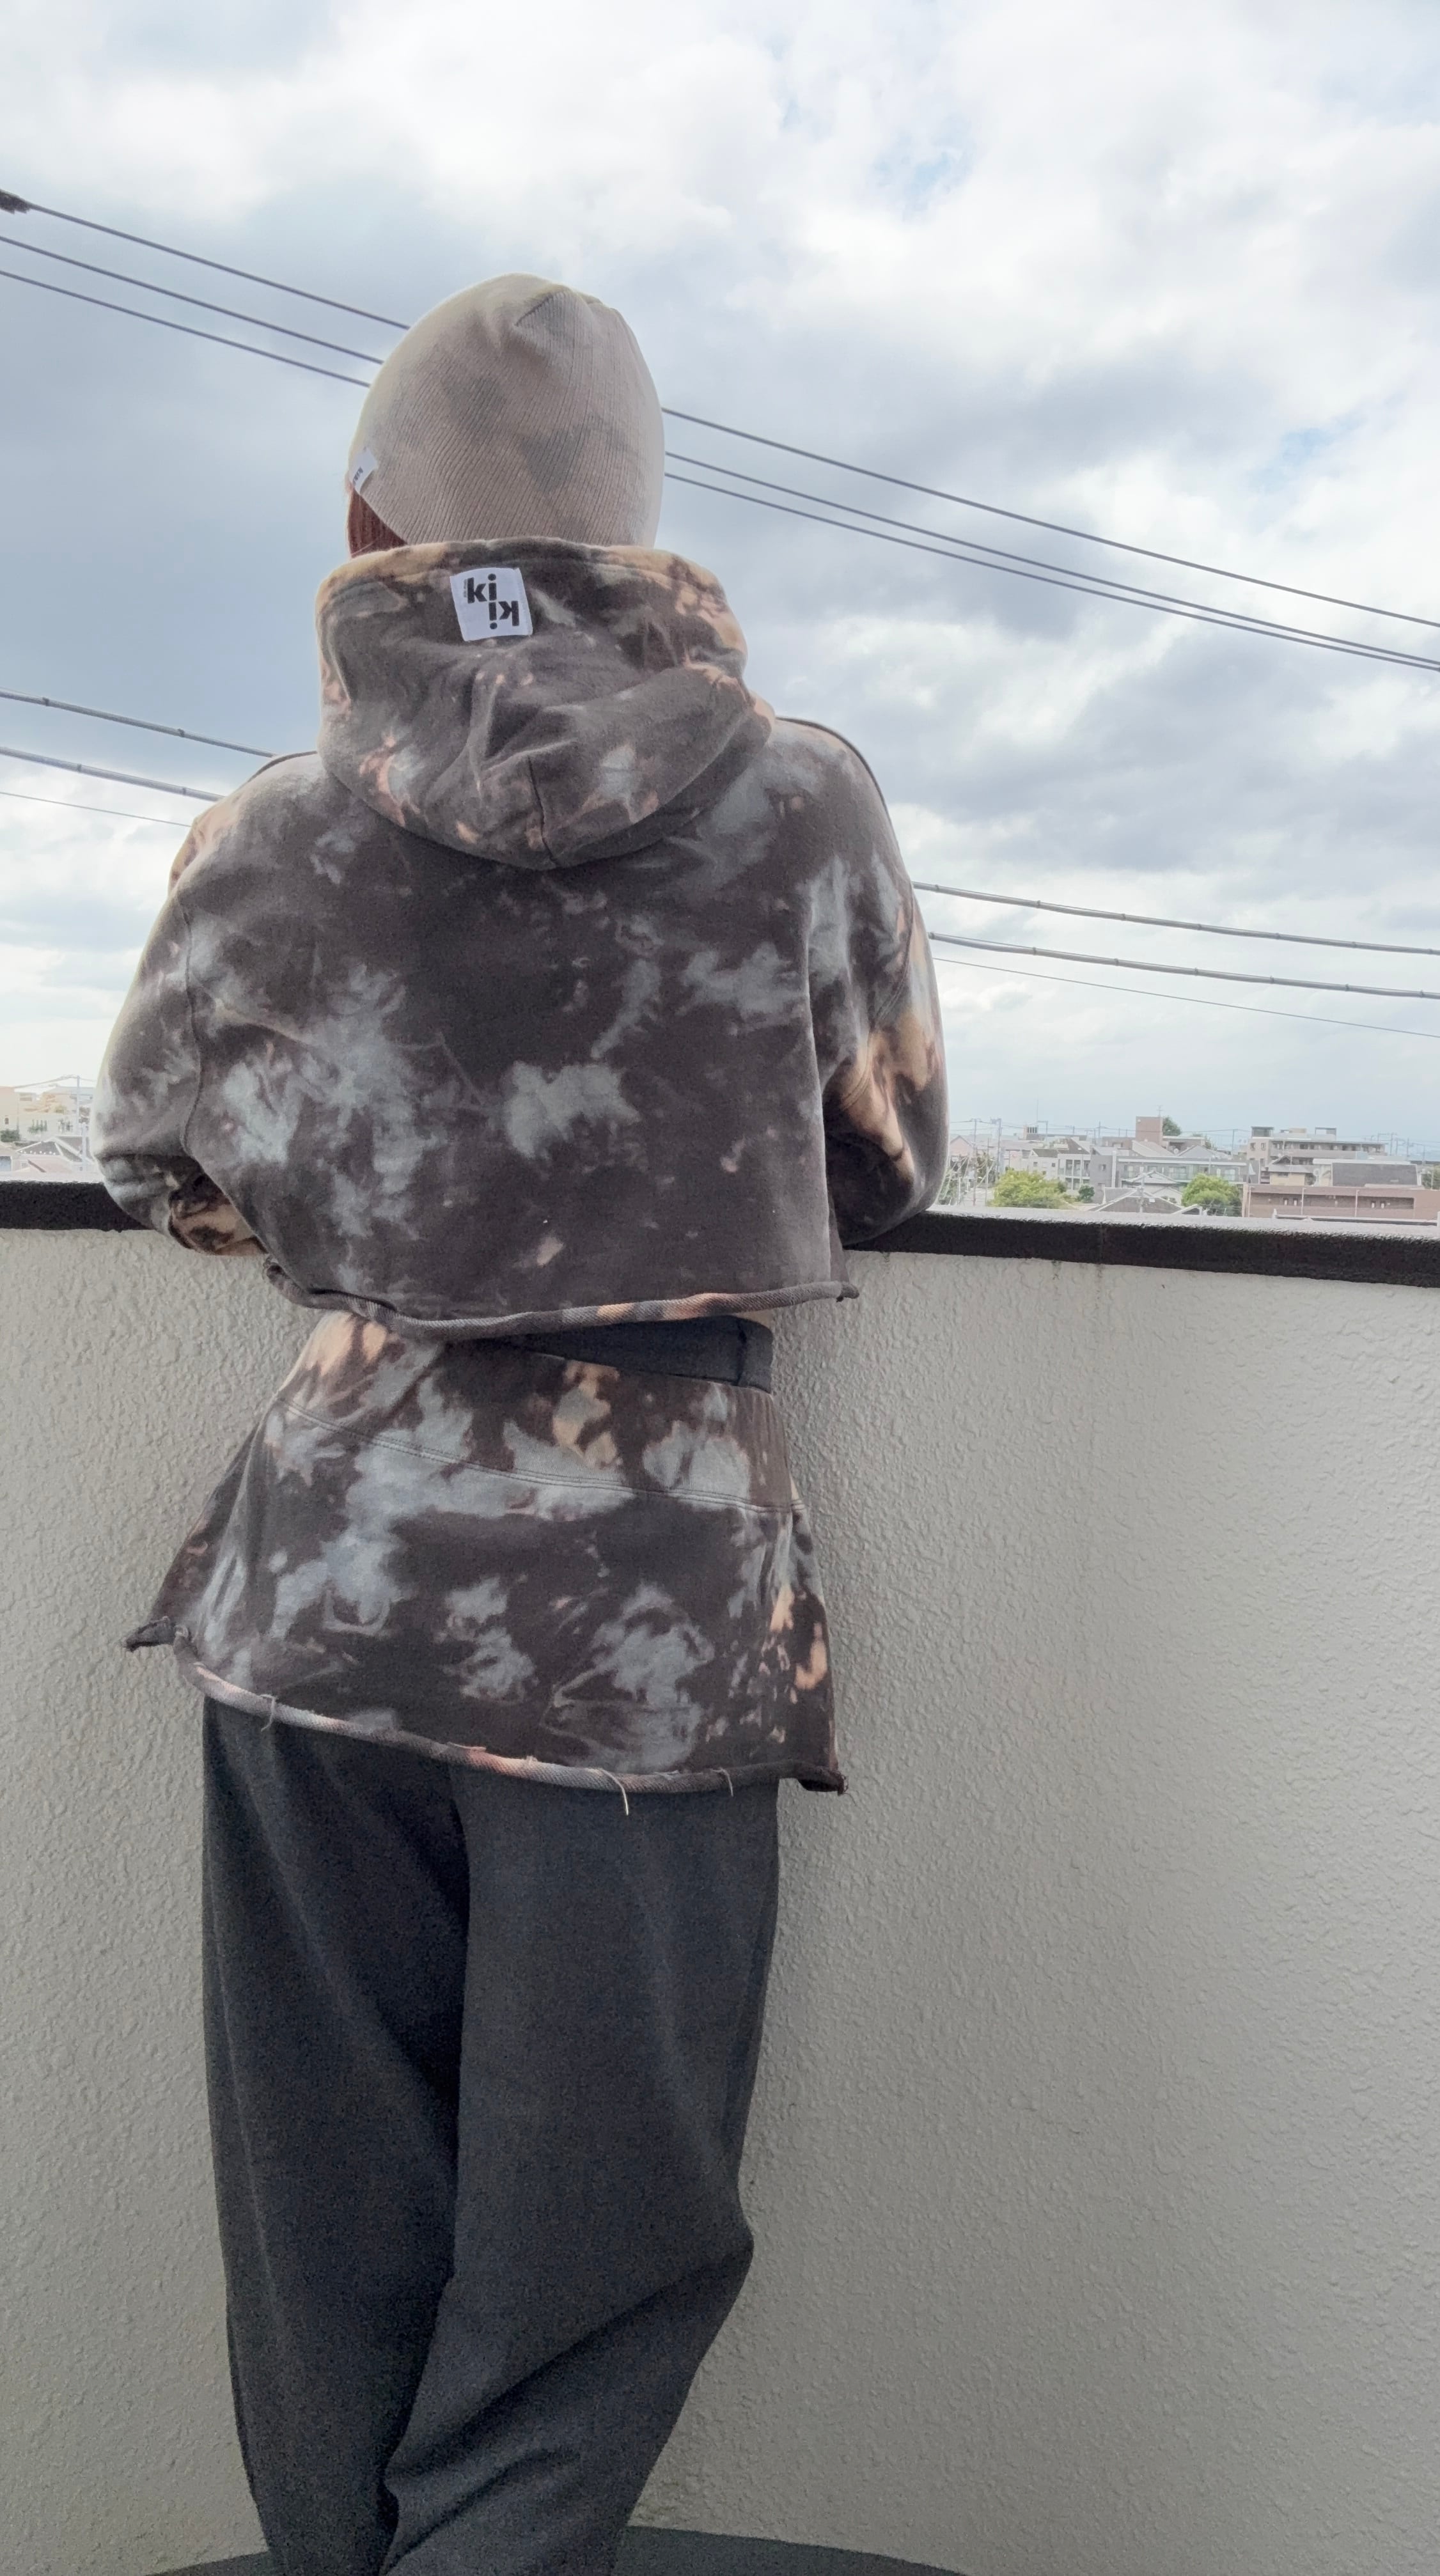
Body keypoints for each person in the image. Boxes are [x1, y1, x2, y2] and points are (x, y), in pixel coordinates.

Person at [92, 273, 948, 2576]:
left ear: (366, 522)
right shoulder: (806, 804)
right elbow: (881, 1166)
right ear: (641, 523)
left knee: (323, 2220)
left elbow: (155, 1160)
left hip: (325, 1603)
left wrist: (383, 1215)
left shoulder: (268, 832)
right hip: (643, 1630)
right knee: (595, 2254)